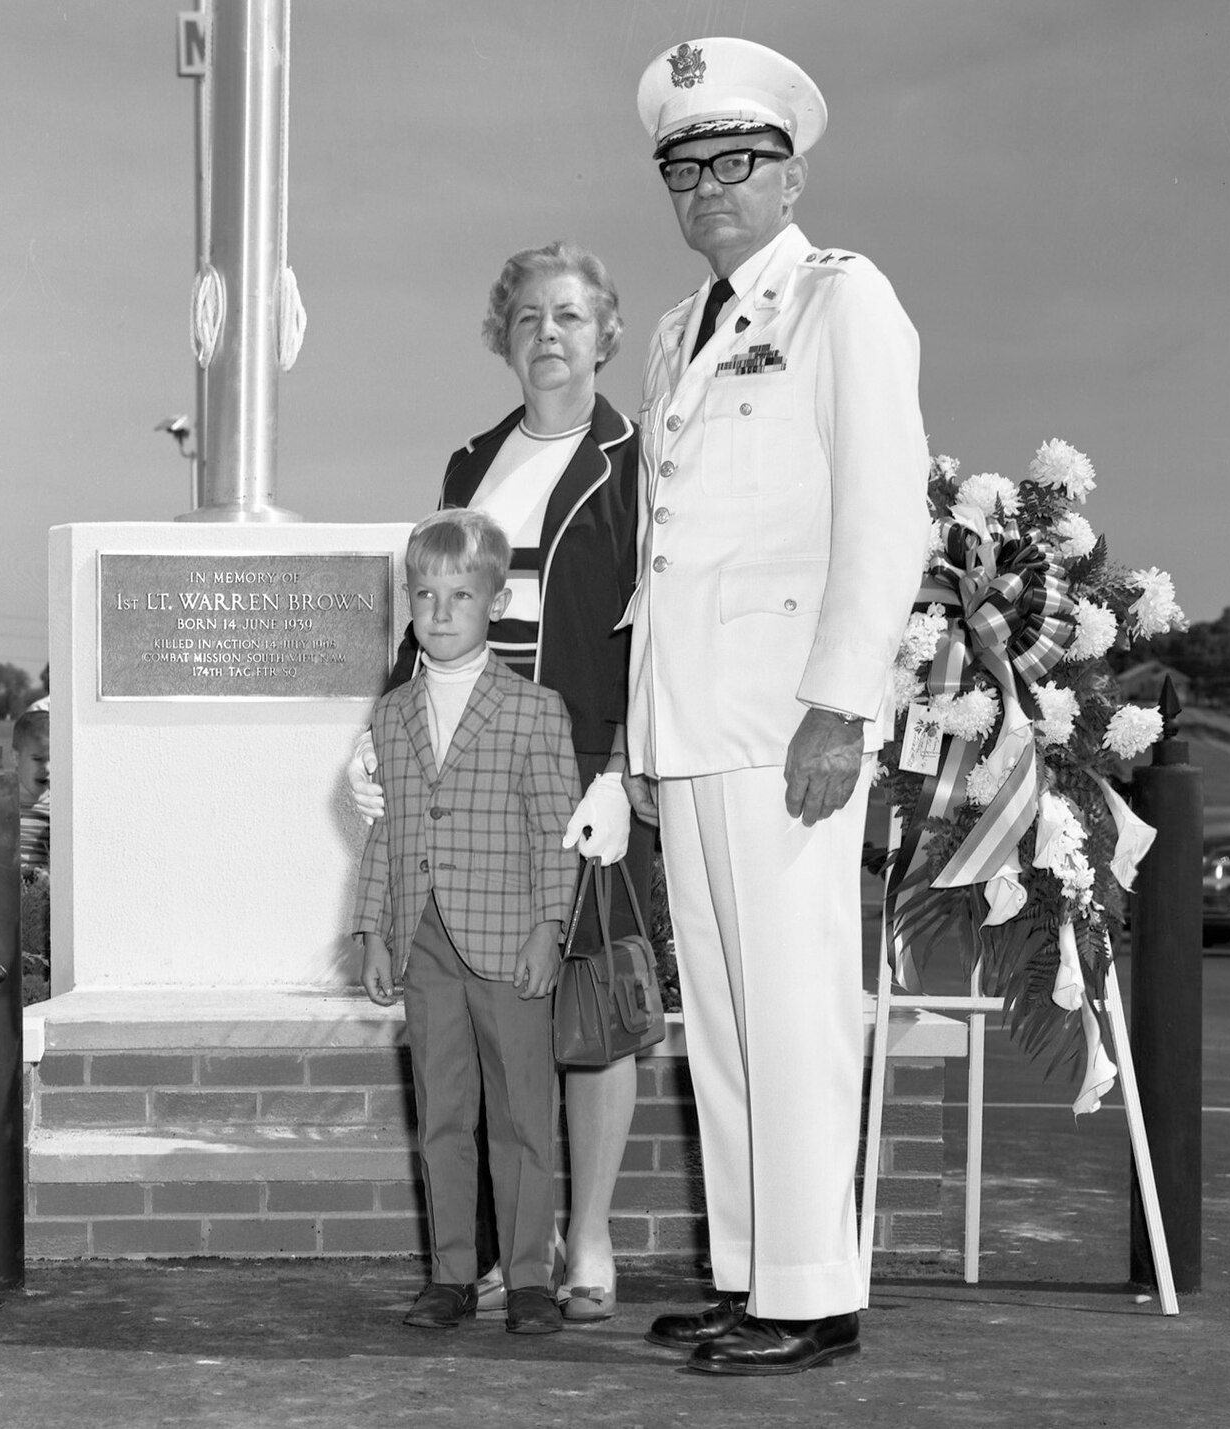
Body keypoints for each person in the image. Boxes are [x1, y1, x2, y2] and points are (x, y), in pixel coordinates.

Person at [604, 39, 929, 1374]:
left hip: (786, 719)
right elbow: (663, 550)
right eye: (686, 168)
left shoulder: (841, 301)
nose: (710, 189)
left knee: (795, 1007)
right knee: (727, 1021)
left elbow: (883, 511)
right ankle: (750, 1272)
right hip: (692, 724)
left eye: (737, 163)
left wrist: (842, 704)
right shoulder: (686, 330)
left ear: (791, 177)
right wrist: (638, 734)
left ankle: (811, 1292)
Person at [349, 242, 648, 1320]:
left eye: (569, 316)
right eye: (526, 317)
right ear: (503, 334)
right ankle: (487, 1252)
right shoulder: (472, 457)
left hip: (577, 771)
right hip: (460, 765)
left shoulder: (636, 459)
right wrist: (379, 743)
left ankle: (588, 1238)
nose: (548, 335)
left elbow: (647, 631)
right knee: (479, 1034)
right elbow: (434, 591)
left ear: (605, 331)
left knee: (582, 1002)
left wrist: (619, 767)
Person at [354, 509, 581, 1336]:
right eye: (425, 593)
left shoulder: (533, 710)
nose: (440, 610)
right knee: (443, 1113)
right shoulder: (392, 714)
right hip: (423, 941)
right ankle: (451, 1272)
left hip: (507, 937)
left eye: (459, 593)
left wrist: (549, 926)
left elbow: (556, 829)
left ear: (498, 599)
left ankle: (528, 1278)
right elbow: (386, 828)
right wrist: (372, 928)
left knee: (523, 1113)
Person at [13, 706, 51, 870]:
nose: (47, 768)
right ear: (16, 758)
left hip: (44, 891)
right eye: (38, 759)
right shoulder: (4, 805)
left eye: (53, 758)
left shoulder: (55, 808)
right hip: (9, 891)